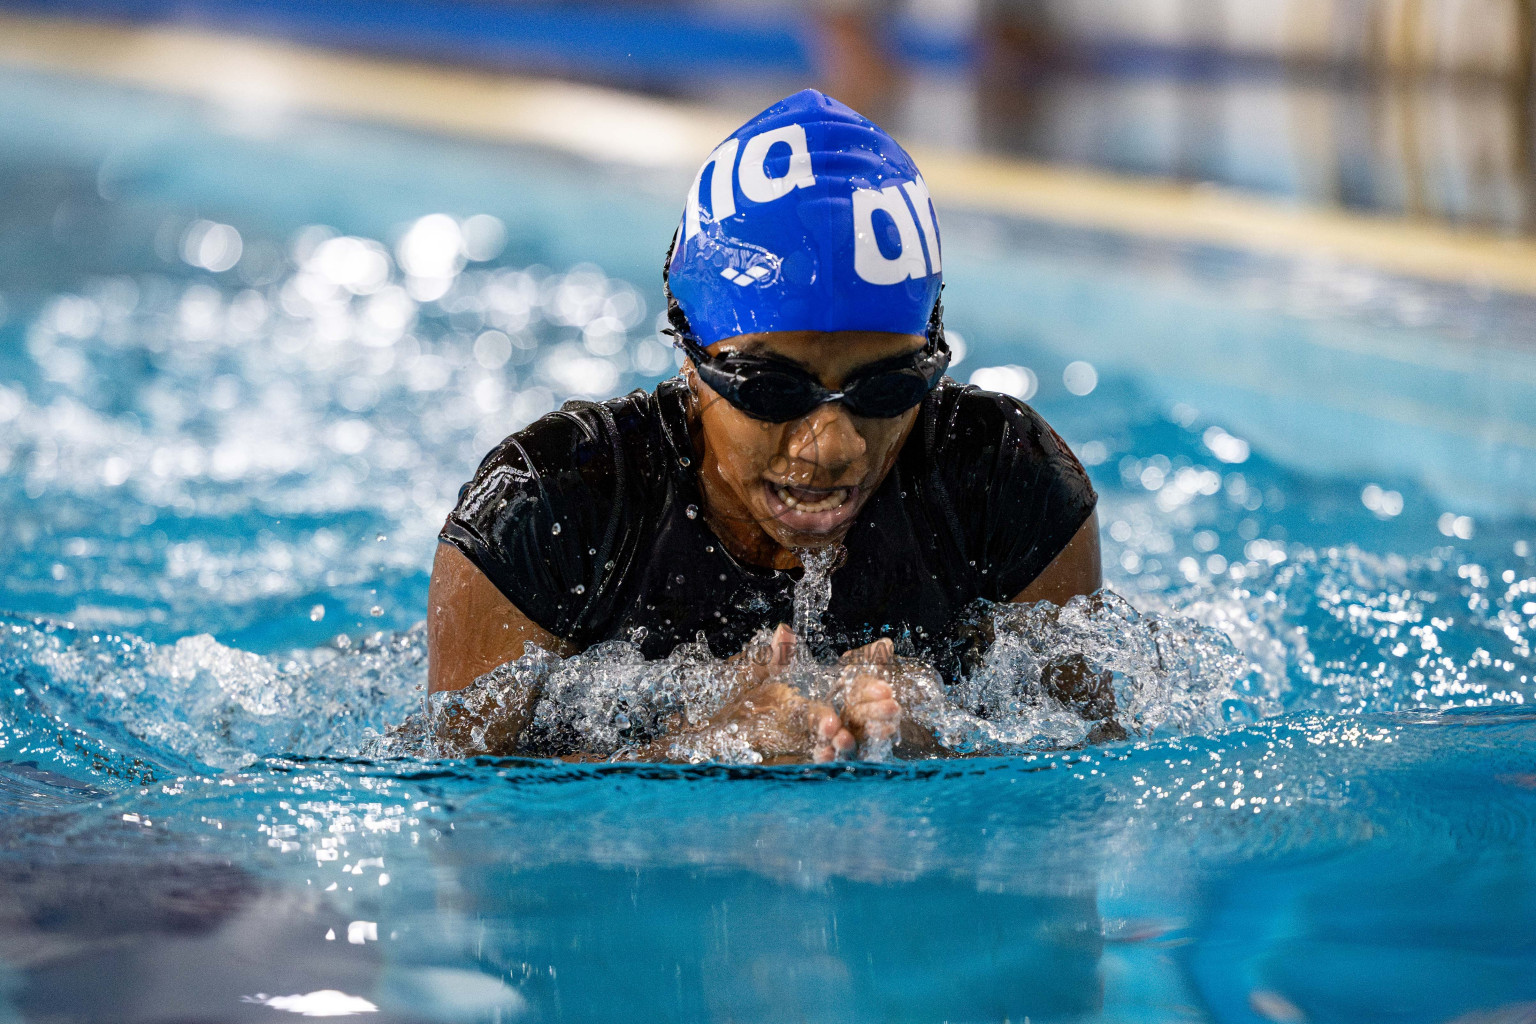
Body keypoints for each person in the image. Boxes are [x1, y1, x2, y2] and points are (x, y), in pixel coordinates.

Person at [427, 89, 1103, 762]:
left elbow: (1091, 773)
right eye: (772, 389)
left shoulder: (1006, 480)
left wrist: (945, 746)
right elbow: (455, 813)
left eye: (888, 387)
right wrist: (699, 750)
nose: (835, 446)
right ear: (690, 354)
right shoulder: (548, 507)